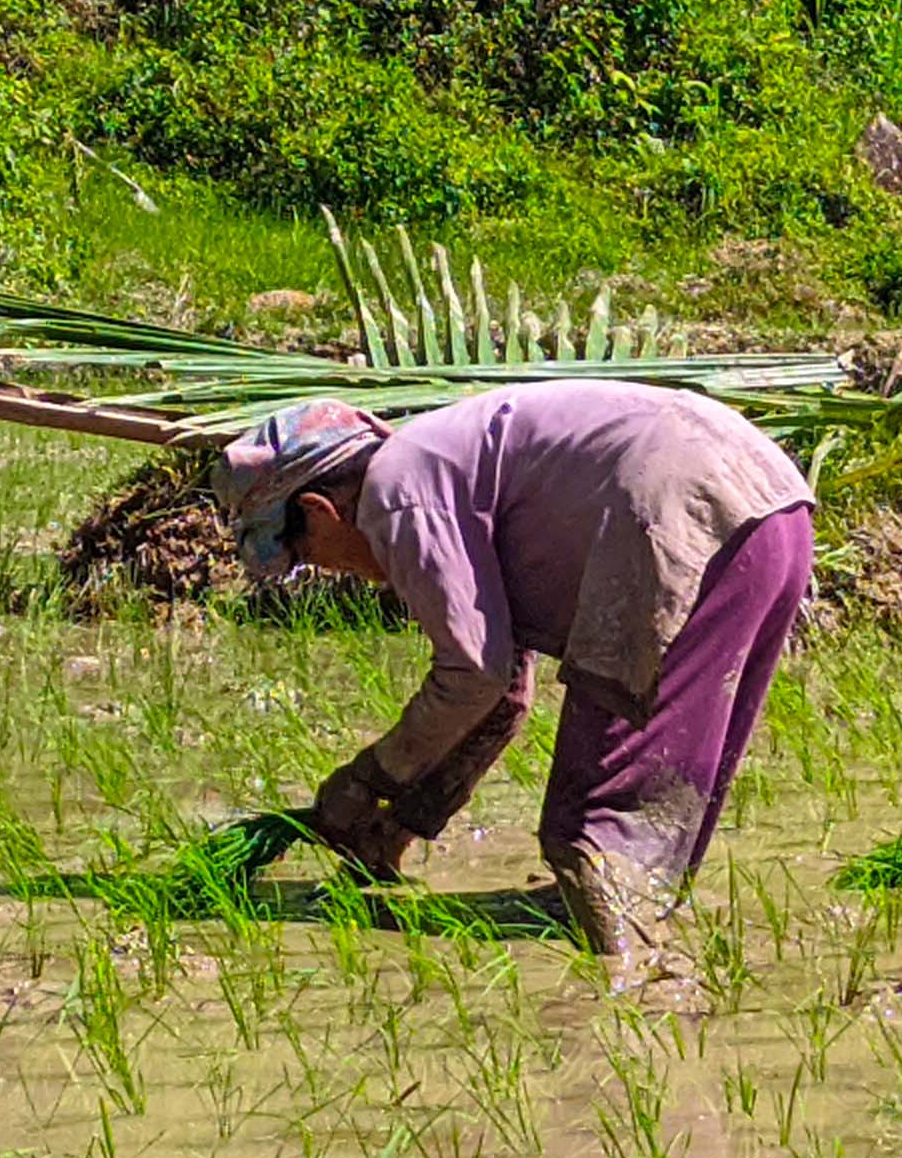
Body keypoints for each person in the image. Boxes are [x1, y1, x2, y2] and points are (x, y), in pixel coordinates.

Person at [216, 381, 815, 987]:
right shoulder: (444, 467)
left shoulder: (397, 495)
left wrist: (367, 777)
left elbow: (473, 674)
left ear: (320, 510)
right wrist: (402, 818)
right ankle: (643, 954)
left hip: (675, 503)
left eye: (308, 553)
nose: (332, 570)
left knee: (594, 832)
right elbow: (502, 694)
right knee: (649, 822)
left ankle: (633, 1011)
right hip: (770, 508)